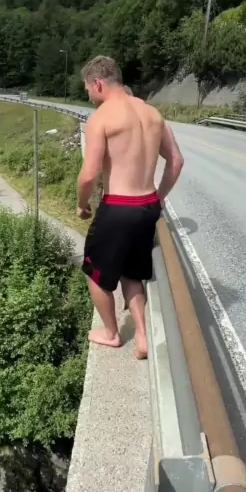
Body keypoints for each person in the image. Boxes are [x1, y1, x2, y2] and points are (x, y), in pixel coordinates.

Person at [76, 55, 184, 359]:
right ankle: (142, 335)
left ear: (97, 83)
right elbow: (176, 161)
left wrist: (81, 205)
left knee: (94, 273)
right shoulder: (152, 113)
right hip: (147, 205)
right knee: (132, 272)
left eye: (88, 89)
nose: (88, 95)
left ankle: (111, 333)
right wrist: (158, 197)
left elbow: (89, 175)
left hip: (118, 207)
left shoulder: (101, 117)